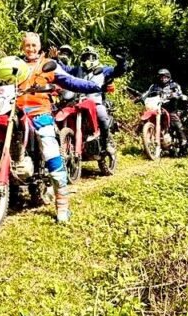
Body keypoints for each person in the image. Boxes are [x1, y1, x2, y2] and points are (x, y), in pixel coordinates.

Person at [17, 32, 103, 224]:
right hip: (15, 112)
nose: (30, 49)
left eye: (34, 45)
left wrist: (93, 87)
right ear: (22, 47)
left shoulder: (49, 65)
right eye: (27, 45)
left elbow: (71, 81)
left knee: (50, 150)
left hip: (40, 112)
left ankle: (62, 205)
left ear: (39, 46)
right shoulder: (16, 65)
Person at [76, 46, 130, 156]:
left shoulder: (103, 70)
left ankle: (106, 144)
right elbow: (63, 72)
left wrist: (122, 62)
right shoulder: (77, 70)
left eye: (91, 57)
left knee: (102, 116)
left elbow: (117, 71)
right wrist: (57, 60)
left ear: (96, 57)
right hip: (77, 102)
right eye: (86, 57)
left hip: (96, 102)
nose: (88, 59)